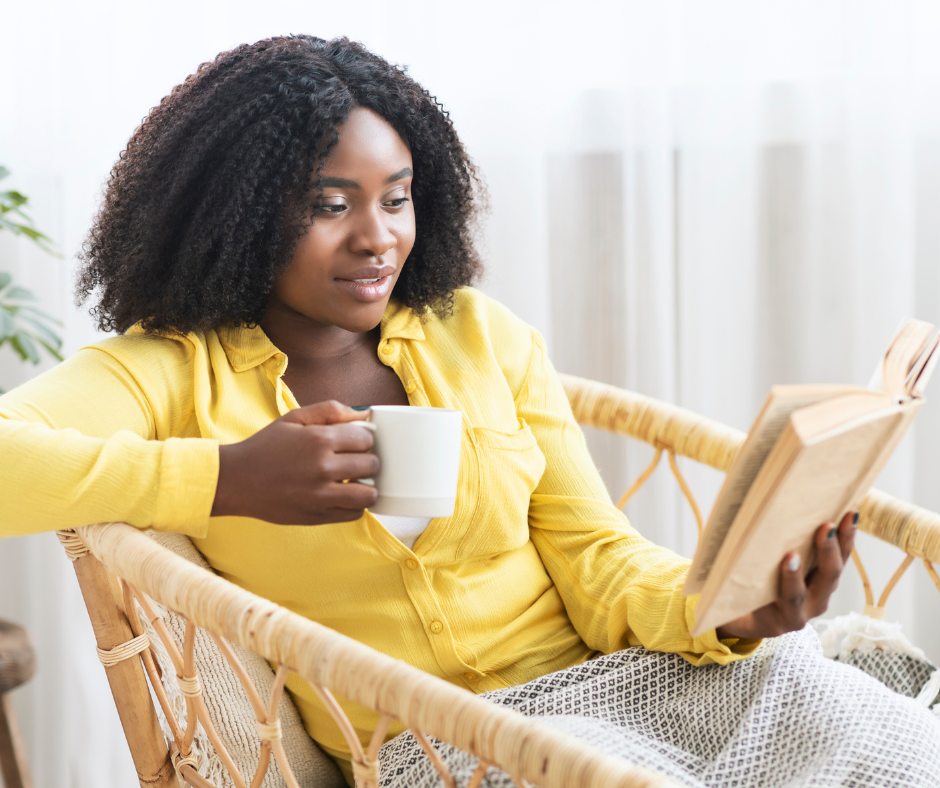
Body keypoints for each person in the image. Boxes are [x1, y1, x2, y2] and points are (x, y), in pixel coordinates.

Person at [0, 35, 933, 788]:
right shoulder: (168, 369)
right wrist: (229, 476)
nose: (379, 238)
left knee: (871, 734)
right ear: (233, 216)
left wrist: (727, 613)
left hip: (645, 688)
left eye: (397, 200)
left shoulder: (478, 334)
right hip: (447, 756)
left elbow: (598, 561)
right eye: (331, 205)